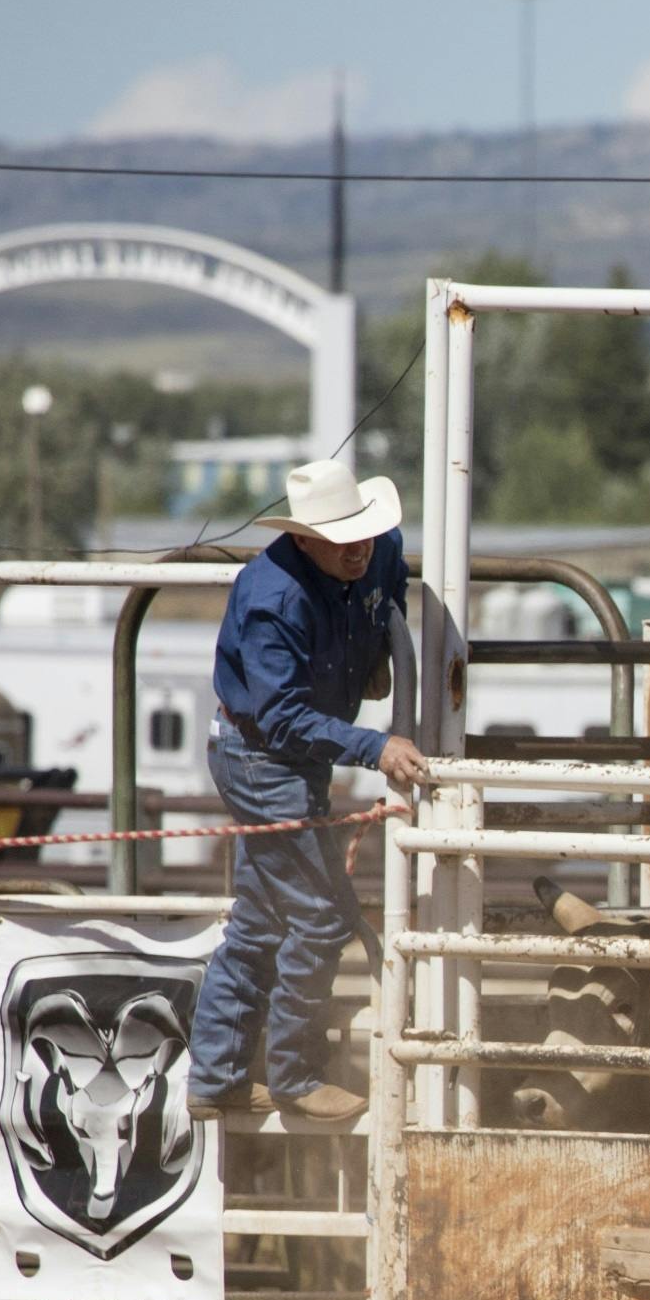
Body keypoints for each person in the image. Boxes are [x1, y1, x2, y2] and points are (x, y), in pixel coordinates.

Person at [188, 460, 430, 1124]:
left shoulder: (378, 551)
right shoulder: (273, 599)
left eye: (362, 532)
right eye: (340, 536)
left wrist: (382, 643)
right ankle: (293, 1073)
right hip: (260, 756)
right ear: (302, 539)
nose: (358, 547)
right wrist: (375, 745)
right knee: (320, 914)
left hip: (285, 757)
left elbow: (393, 572)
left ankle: (217, 1073)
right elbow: (282, 717)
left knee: (266, 916)